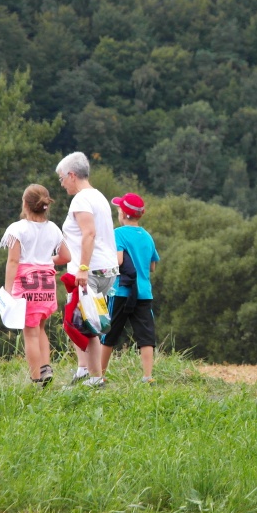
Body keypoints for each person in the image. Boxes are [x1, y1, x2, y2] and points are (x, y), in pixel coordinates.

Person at [56, 152, 119, 388]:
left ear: (72, 175)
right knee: (76, 318)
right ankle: (84, 370)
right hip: (106, 269)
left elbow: (89, 234)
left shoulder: (81, 200)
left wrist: (82, 268)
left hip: (89, 270)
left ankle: (95, 378)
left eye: (62, 178)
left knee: (87, 324)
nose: (61, 184)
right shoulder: (98, 196)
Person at [0, 184, 71, 387]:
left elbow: (13, 261)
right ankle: (46, 367)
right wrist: (47, 260)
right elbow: (66, 256)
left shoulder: (17, 229)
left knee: (29, 333)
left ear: (25, 204)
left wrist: (8, 291)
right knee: (40, 328)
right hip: (47, 285)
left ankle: (35, 379)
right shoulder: (54, 229)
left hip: (26, 285)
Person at [98, 193, 161, 384]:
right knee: (146, 335)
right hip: (143, 293)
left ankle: (99, 375)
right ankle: (147, 376)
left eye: (118, 210)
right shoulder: (147, 236)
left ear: (124, 214)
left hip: (121, 291)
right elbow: (152, 266)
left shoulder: (118, 234)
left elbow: (117, 260)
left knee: (109, 333)